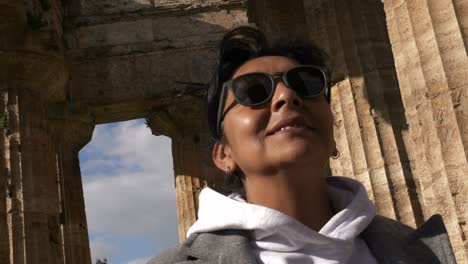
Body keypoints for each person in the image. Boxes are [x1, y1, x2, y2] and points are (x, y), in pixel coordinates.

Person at [148, 26, 456, 264]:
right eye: (254, 91)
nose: (286, 96)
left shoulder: (428, 254)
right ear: (223, 154)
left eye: (306, 84)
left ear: (333, 136)